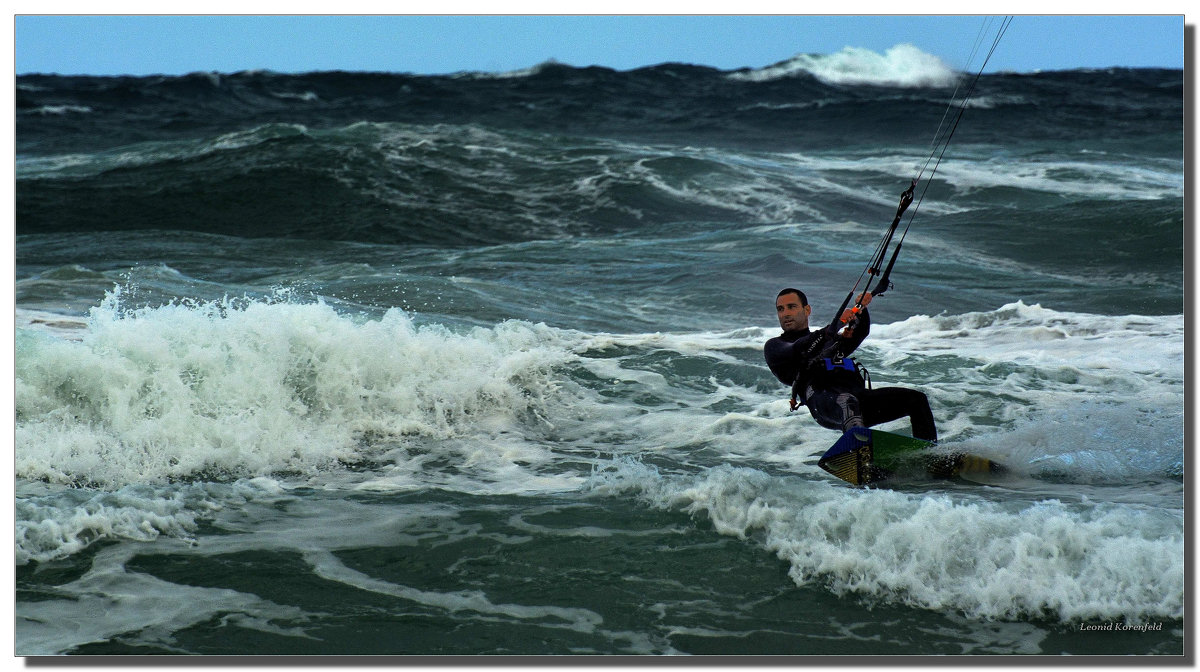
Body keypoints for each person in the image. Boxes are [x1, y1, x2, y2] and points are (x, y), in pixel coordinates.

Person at [764, 287, 937, 442]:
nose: (785, 313)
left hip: (858, 399)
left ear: (807, 310)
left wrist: (861, 308)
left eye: (791, 307)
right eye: (780, 309)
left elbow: (859, 332)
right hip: (824, 403)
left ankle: (931, 457)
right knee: (847, 402)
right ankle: (860, 457)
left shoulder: (829, 341)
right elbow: (799, 347)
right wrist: (835, 325)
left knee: (916, 399)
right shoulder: (775, 347)